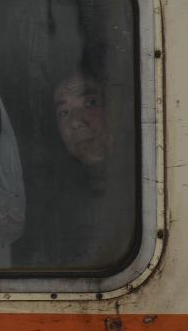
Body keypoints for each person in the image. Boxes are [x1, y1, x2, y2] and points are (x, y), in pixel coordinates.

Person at [14, 68, 137, 270]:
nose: (77, 122)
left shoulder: (144, 179)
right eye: (64, 113)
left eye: (90, 104)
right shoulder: (51, 196)